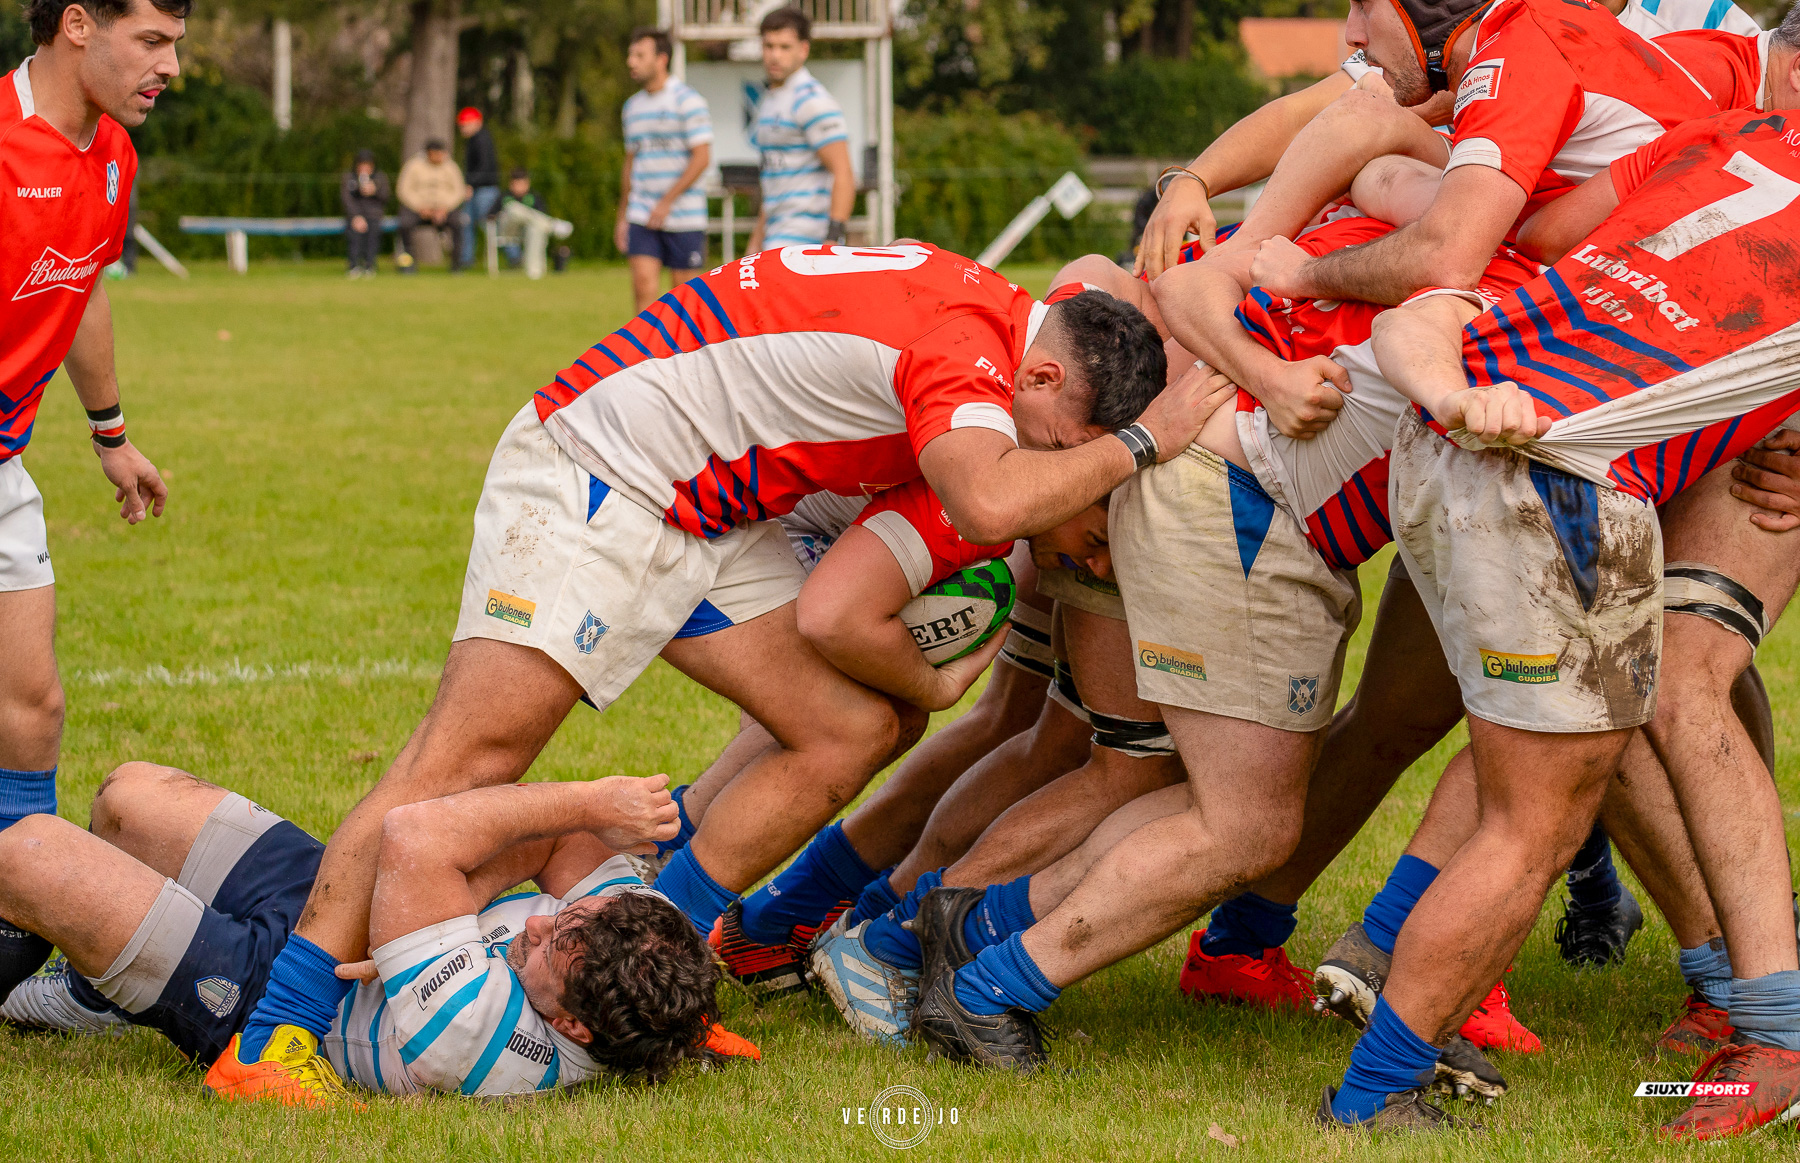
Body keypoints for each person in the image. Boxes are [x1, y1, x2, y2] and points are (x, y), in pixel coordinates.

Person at [207, 243, 1227, 1106]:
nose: (1054, 468)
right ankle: (272, 1036)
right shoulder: (969, 355)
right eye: (1059, 446)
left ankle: (673, 959)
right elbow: (990, 500)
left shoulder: (996, 329)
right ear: (1040, 378)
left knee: (852, 728)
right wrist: (1147, 442)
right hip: (602, 470)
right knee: (465, 760)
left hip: (702, 509)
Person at [1306, 91, 1800, 1135]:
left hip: (1452, 433)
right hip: (1555, 481)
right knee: (1532, 821)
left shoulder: (1727, 132)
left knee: (1567, 762)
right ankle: (1377, 1088)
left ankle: (1745, 1009)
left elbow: (1549, 233)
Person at [0, 762, 754, 1102]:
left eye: (553, 943)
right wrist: (448, 900)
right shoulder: (630, 934)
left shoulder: (482, 1041)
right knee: (127, 796)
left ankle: (103, 988)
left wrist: (589, 798)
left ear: (571, 1027)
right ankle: (101, 992)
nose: (542, 917)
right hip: (342, 910)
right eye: (566, 912)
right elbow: (561, 842)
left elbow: (414, 831)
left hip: (272, 994)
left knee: (28, 854)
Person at [0, 0, 184, 1006]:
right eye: (152, 41)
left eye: (176, 45)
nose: (170, 65)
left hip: (5, 464)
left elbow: (82, 287)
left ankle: (13, 918)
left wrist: (111, 434)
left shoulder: (112, 153)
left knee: (33, 708)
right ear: (77, 23)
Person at [615, 28, 712, 311]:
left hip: (684, 215)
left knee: (685, 300)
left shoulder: (688, 101)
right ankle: (646, 344)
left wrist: (667, 201)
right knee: (643, 289)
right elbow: (631, 162)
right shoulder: (632, 107)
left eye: (639, 55)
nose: (631, 62)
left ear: (661, 59)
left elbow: (702, 158)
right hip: (642, 213)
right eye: (630, 55)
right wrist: (622, 215)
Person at [746, 8, 857, 251]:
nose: (775, 56)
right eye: (769, 46)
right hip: (775, 236)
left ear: (803, 50)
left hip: (807, 242)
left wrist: (832, 240)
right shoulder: (770, 100)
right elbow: (774, 184)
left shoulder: (812, 100)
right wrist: (755, 244)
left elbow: (844, 172)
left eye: (785, 47)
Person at [395, 138, 468, 273]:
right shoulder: (413, 165)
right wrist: (419, 206)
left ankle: (456, 264)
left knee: (458, 222)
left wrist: (444, 208)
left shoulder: (451, 167)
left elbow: (459, 191)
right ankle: (408, 263)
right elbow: (403, 190)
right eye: (437, 153)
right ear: (429, 153)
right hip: (418, 209)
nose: (440, 156)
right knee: (404, 223)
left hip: (445, 209)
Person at [456, 108, 500, 270]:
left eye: (465, 125)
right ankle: (466, 259)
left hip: (485, 191)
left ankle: (514, 256)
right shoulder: (473, 140)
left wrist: (470, 184)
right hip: (476, 189)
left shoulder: (482, 140)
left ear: (477, 123)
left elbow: (484, 168)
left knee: (489, 224)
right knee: (466, 223)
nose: (462, 129)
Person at [340, 148, 389, 278]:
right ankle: (354, 265)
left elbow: (386, 197)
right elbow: (346, 199)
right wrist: (355, 216)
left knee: (373, 232)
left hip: (374, 215)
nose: (364, 168)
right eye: (362, 164)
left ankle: (369, 265)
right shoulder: (349, 178)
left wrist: (375, 191)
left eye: (367, 165)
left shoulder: (380, 178)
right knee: (354, 234)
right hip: (354, 215)